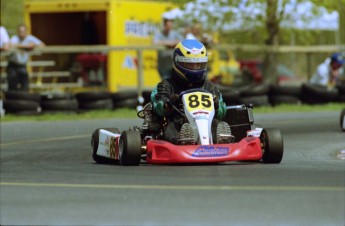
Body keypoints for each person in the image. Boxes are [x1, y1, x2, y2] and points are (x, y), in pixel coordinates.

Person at [151, 39, 229, 145]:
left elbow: (222, 112)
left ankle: (221, 141)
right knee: (171, 131)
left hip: (207, 123)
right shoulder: (166, 85)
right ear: (178, 62)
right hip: (178, 122)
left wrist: (217, 106)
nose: (195, 68)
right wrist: (168, 104)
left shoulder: (209, 86)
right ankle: (185, 141)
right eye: (190, 64)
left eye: (198, 64)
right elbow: (157, 106)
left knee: (216, 123)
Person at [6, 24, 45, 91]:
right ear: (18, 32)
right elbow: (10, 45)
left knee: (25, 86)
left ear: (26, 31)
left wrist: (33, 45)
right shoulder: (15, 38)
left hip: (23, 66)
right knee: (12, 87)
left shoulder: (30, 38)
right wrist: (26, 46)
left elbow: (42, 45)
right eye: (20, 31)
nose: (22, 33)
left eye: (23, 31)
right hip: (13, 66)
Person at [153, 13, 183, 80]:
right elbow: (155, 42)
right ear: (164, 25)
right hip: (163, 65)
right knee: (166, 83)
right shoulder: (159, 34)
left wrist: (174, 43)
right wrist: (167, 43)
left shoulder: (175, 33)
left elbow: (182, 41)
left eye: (170, 26)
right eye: (168, 25)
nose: (169, 27)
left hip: (173, 65)